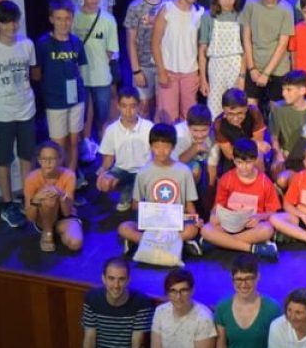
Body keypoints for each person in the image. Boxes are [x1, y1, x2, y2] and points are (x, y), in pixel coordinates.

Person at [0, 0, 36, 228]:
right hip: (3, 113)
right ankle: (7, 204)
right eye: (6, 23)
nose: (12, 27)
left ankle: (28, 198)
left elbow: (31, 71)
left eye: (14, 22)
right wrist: (1, 98)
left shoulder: (27, 45)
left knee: (26, 156)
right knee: (3, 159)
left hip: (27, 110)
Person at [116, 123, 203, 257]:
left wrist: (195, 219)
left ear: (173, 147)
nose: (161, 151)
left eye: (166, 147)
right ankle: (174, 244)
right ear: (151, 147)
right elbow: (135, 204)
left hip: (175, 222)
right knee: (124, 227)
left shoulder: (184, 171)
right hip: (153, 222)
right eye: (156, 147)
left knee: (192, 230)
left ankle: (147, 243)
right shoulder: (144, 172)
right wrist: (147, 212)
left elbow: (189, 203)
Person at [202, 138, 283, 260]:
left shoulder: (265, 182)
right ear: (234, 161)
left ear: (255, 160)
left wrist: (259, 217)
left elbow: (273, 212)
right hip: (229, 225)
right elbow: (217, 207)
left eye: (248, 163)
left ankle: (219, 243)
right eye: (239, 162)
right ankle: (253, 248)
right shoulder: (227, 178)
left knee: (267, 229)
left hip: (250, 227)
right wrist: (215, 215)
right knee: (206, 229)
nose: (244, 167)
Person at [36, 0, 88, 180]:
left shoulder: (76, 42)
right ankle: (58, 182)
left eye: (67, 18)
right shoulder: (43, 44)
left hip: (76, 99)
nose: (63, 23)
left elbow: (80, 69)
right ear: (51, 19)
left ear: (72, 18)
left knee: (74, 141)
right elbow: (36, 73)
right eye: (59, 18)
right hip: (55, 102)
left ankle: (71, 180)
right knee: (58, 145)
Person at [151, 0, 204, 124]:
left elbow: (201, 46)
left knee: (189, 116)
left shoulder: (200, 13)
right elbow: (155, 42)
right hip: (168, 71)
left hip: (190, 73)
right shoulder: (167, 9)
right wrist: (161, 71)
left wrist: (199, 73)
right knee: (167, 116)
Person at [74, 0, 120, 143]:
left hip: (101, 78)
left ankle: (102, 152)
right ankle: (84, 149)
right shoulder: (74, 17)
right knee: (80, 119)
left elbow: (111, 51)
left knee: (103, 117)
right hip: (79, 77)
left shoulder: (108, 20)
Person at [96, 86, 154, 212]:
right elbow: (109, 158)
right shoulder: (111, 129)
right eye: (124, 106)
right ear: (118, 106)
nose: (128, 111)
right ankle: (127, 190)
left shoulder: (148, 127)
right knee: (105, 183)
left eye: (132, 106)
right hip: (121, 170)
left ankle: (132, 193)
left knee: (138, 208)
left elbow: (155, 154)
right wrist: (102, 172)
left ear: (139, 106)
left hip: (143, 170)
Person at [243, 0, 296, 110]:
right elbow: (247, 39)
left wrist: (266, 73)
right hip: (255, 64)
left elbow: (282, 45)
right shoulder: (251, 4)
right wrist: (252, 69)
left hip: (278, 68)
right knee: (251, 110)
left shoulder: (286, 9)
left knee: (276, 110)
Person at [24, 142, 84, 253]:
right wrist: (36, 199)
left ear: (60, 160)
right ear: (39, 160)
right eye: (44, 159)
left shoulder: (69, 175)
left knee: (75, 243)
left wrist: (61, 195)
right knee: (48, 197)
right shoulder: (31, 178)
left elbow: (67, 212)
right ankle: (48, 232)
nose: (48, 162)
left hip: (63, 217)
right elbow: (30, 217)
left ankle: (56, 229)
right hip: (42, 218)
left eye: (52, 158)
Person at [124, 0, 170, 117]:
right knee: (143, 107)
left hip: (164, 65)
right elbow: (130, 41)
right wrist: (136, 70)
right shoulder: (135, 7)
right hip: (143, 65)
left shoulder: (169, 5)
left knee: (163, 108)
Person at [199, 0, 246, 119]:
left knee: (235, 105)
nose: (227, 1)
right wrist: (203, 79)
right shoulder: (208, 17)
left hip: (235, 63)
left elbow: (245, 49)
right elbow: (202, 49)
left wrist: (242, 76)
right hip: (215, 65)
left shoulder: (240, 16)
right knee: (215, 105)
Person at [270, 70, 306, 178]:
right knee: (276, 169)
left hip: (305, 157)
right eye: (283, 89)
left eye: (289, 90)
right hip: (285, 154)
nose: (283, 93)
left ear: (302, 91)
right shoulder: (278, 108)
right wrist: (278, 154)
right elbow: (274, 137)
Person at [213, 88, 271, 176]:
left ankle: (261, 185)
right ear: (224, 110)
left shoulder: (254, 112)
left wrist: (256, 144)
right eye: (230, 114)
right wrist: (254, 143)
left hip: (253, 157)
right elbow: (229, 154)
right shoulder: (219, 124)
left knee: (258, 155)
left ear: (246, 108)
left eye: (240, 113)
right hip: (234, 161)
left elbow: (258, 145)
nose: (235, 118)